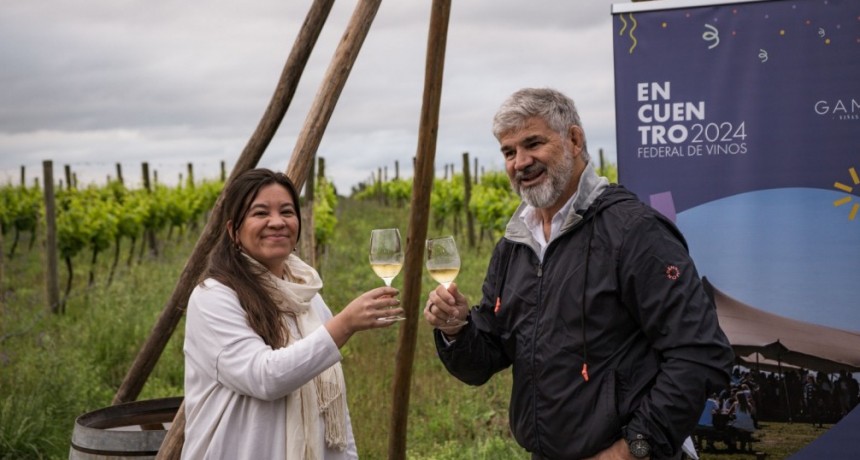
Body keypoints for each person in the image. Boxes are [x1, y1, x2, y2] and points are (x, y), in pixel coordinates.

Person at [423, 88, 734, 459]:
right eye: (509, 152)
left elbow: (699, 354)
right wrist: (457, 328)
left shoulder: (634, 232)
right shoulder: (515, 244)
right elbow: (488, 355)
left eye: (532, 143)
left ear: (573, 139)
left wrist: (632, 449)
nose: (520, 162)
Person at [182, 168, 404, 459]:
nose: (277, 222)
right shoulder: (213, 297)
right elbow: (264, 377)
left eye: (287, 211)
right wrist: (344, 325)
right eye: (260, 213)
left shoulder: (304, 294)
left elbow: (331, 405)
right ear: (233, 230)